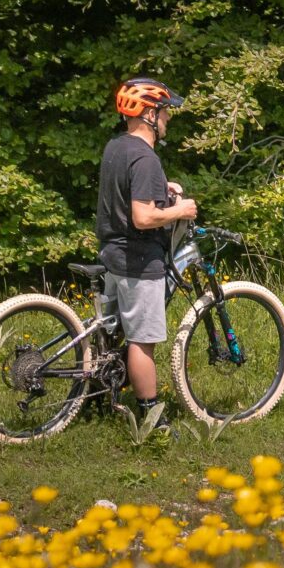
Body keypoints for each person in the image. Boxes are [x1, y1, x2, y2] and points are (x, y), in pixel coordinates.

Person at [98, 76, 198, 437]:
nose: (168, 119)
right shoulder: (146, 158)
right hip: (139, 262)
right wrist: (181, 210)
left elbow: (126, 194)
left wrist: (162, 190)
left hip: (113, 255)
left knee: (114, 332)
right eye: (165, 112)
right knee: (143, 340)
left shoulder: (117, 148)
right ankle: (151, 417)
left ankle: (99, 392)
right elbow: (142, 218)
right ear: (149, 114)